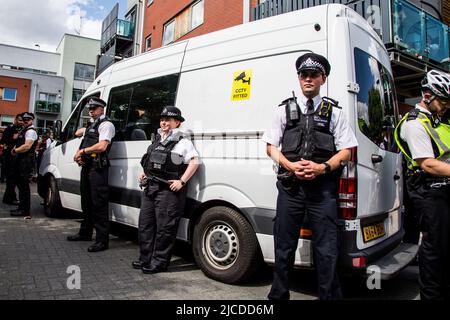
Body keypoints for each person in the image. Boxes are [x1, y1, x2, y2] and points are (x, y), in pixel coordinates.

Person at [262, 53, 358, 300]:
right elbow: (270, 146)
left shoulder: (334, 112)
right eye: (303, 75)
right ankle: (278, 295)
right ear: (299, 78)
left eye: (313, 75)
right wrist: (291, 166)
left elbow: (347, 150)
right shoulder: (284, 109)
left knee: (327, 250)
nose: (308, 79)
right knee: (283, 247)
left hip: (322, 191)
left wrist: (322, 167)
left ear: (322, 79)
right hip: (291, 190)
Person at [393, 69, 450, 300]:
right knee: (434, 250)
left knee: (446, 249)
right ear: (427, 95)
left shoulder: (439, 119)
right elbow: (428, 164)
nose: (447, 105)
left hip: (444, 190)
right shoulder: (415, 124)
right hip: (429, 193)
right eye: (444, 100)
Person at [132, 106, 199, 274]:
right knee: (145, 225)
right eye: (162, 119)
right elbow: (150, 163)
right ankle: (145, 258)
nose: (164, 122)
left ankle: (160, 262)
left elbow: (195, 162)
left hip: (169, 191)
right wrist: (144, 175)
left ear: (177, 122)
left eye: (168, 119)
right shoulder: (156, 140)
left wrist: (182, 182)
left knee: (164, 228)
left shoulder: (183, 141)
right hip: (151, 187)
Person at [67, 97, 116, 253]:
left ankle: (102, 240)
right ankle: (85, 233)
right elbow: (79, 135)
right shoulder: (92, 125)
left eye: (94, 108)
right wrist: (80, 155)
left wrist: (82, 152)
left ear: (102, 109)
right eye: (89, 108)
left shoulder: (106, 125)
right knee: (86, 202)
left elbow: (102, 146)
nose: (91, 111)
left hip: (98, 169)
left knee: (99, 204)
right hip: (88, 167)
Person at [10, 112, 38, 219]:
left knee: (24, 187)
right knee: (21, 186)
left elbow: (27, 146)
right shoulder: (25, 130)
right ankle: (21, 208)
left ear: (32, 120)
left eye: (28, 119)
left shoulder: (31, 132)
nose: (26, 120)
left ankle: (25, 210)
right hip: (21, 161)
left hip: (26, 162)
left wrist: (15, 150)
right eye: (24, 119)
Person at [1, 114, 23, 205]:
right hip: (9, 157)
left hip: (17, 157)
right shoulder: (9, 128)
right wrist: (13, 138)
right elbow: (3, 141)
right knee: (11, 179)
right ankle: (10, 199)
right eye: (20, 120)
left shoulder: (22, 129)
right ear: (15, 120)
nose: (22, 122)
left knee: (13, 179)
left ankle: (9, 198)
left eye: (23, 120)